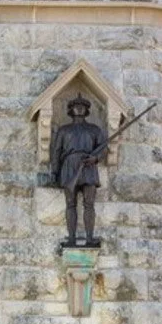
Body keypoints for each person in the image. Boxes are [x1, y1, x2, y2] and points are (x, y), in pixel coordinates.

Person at [47, 97, 112, 247]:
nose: (80, 108)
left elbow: (103, 149)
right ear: (71, 110)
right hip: (70, 166)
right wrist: (55, 172)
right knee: (70, 204)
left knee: (89, 204)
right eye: (76, 106)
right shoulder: (64, 130)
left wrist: (95, 158)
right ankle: (71, 238)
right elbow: (56, 152)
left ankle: (89, 238)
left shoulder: (94, 129)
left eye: (82, 106)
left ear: (87, 109)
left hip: (88, 167)